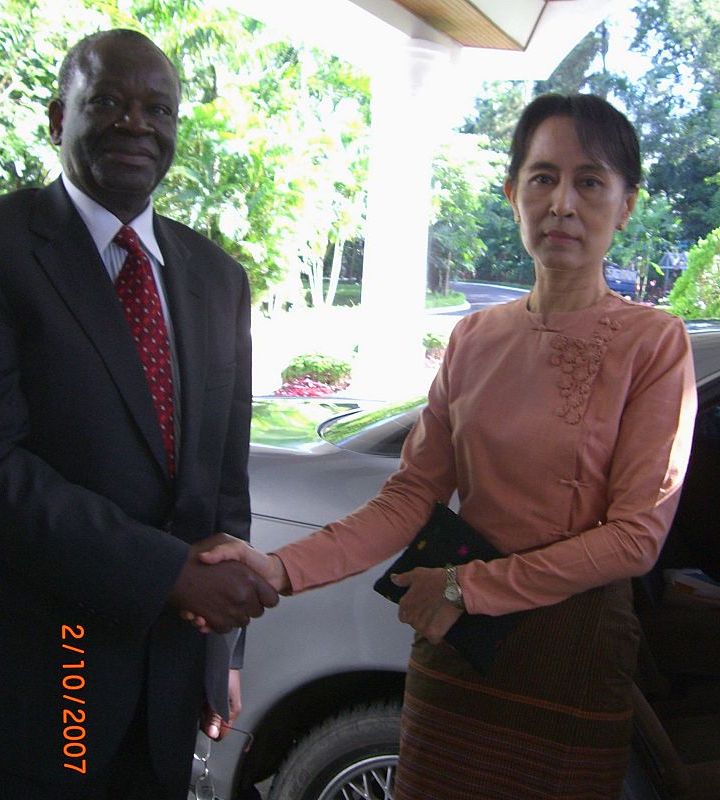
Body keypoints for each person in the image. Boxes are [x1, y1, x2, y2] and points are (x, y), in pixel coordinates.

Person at [190, 94, 698, 799]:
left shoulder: (653, 343)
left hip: (568, 651)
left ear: (625, 204)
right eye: (542, 177)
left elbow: (635, 537)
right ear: (511, 191)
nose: (561, 203)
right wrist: (277, 569)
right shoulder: (474, 337)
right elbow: (407, 497)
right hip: (456, 649)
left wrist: (466, 586)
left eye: (589, 182)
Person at [0, 29, 279, 800]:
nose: (135, 124)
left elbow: (226, 486)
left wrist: (225, 650)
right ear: (58, 118)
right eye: (108, 103)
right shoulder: (3, 248)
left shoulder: (219, 279)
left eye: (158, 108)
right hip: (40, 678)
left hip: (167, 685)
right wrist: (170, 576)